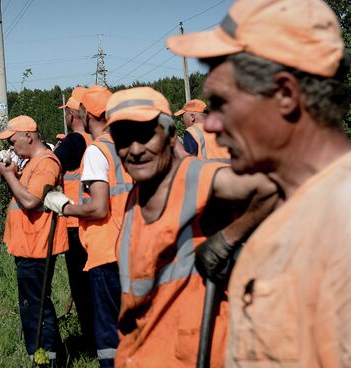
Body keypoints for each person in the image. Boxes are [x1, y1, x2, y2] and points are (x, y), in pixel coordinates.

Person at [167, 0, 351, 365]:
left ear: (285, 95)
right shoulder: (299, 207)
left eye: (222, 103)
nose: (213, 125)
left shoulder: (340, 228)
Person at [100, 87, 276, 367]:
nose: (134, 149)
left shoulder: (194, 176)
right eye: (123, 138)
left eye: (146, 135)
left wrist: (227, 240)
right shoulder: (137, 194)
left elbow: (268, 188)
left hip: (193, 353)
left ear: (170, 137)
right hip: (143, 352)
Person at [47, 85, 129, 368]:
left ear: (83, 112)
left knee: (107, 332)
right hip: (132, 243)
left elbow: (98, 206)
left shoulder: (96, 149)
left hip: (104, 246)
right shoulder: (127, 145)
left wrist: (64, 206)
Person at [0, 115, 68, 366]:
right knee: (33, 307)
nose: (12, 146)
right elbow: (25, 196)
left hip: (38, 247)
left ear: (29, 136)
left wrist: (9, 177)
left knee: (37, 310)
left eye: (13, 140)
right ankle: (46, 358)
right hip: (29, 246)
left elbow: (30, 201)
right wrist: (14, 175)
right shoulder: (32, 164)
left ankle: (47, 361)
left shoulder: (46, 164)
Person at [52, 86, 96, 353]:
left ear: (72, 113)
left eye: (67, 112)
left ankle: (92, 343)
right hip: (93, 220)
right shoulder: (94, 139)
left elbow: (50, 166)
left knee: (82, 287)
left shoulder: (74, 142)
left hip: (74, 223)